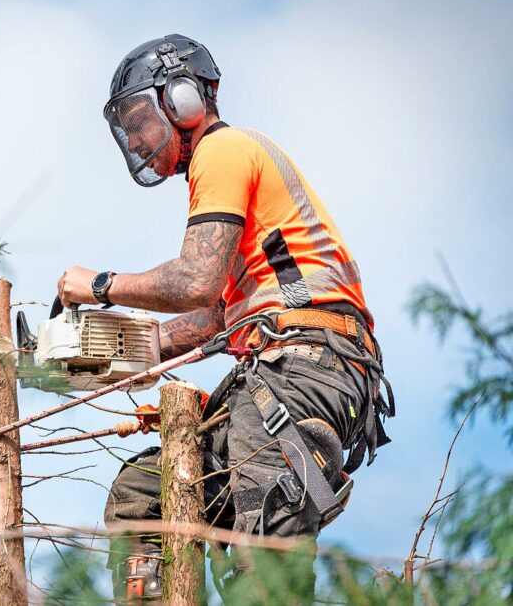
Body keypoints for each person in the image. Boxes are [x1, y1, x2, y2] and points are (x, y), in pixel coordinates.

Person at [56, 35, 394, 603]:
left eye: (140, 119)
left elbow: (194, 280)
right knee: (142, 495)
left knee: (265, 524)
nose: (136, 138)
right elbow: (213, 316)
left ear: (184, 99)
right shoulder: (234, 206)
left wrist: (99, 286)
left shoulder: (224, 150)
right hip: (279, 365)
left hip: (311, 365)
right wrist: (99, 352)